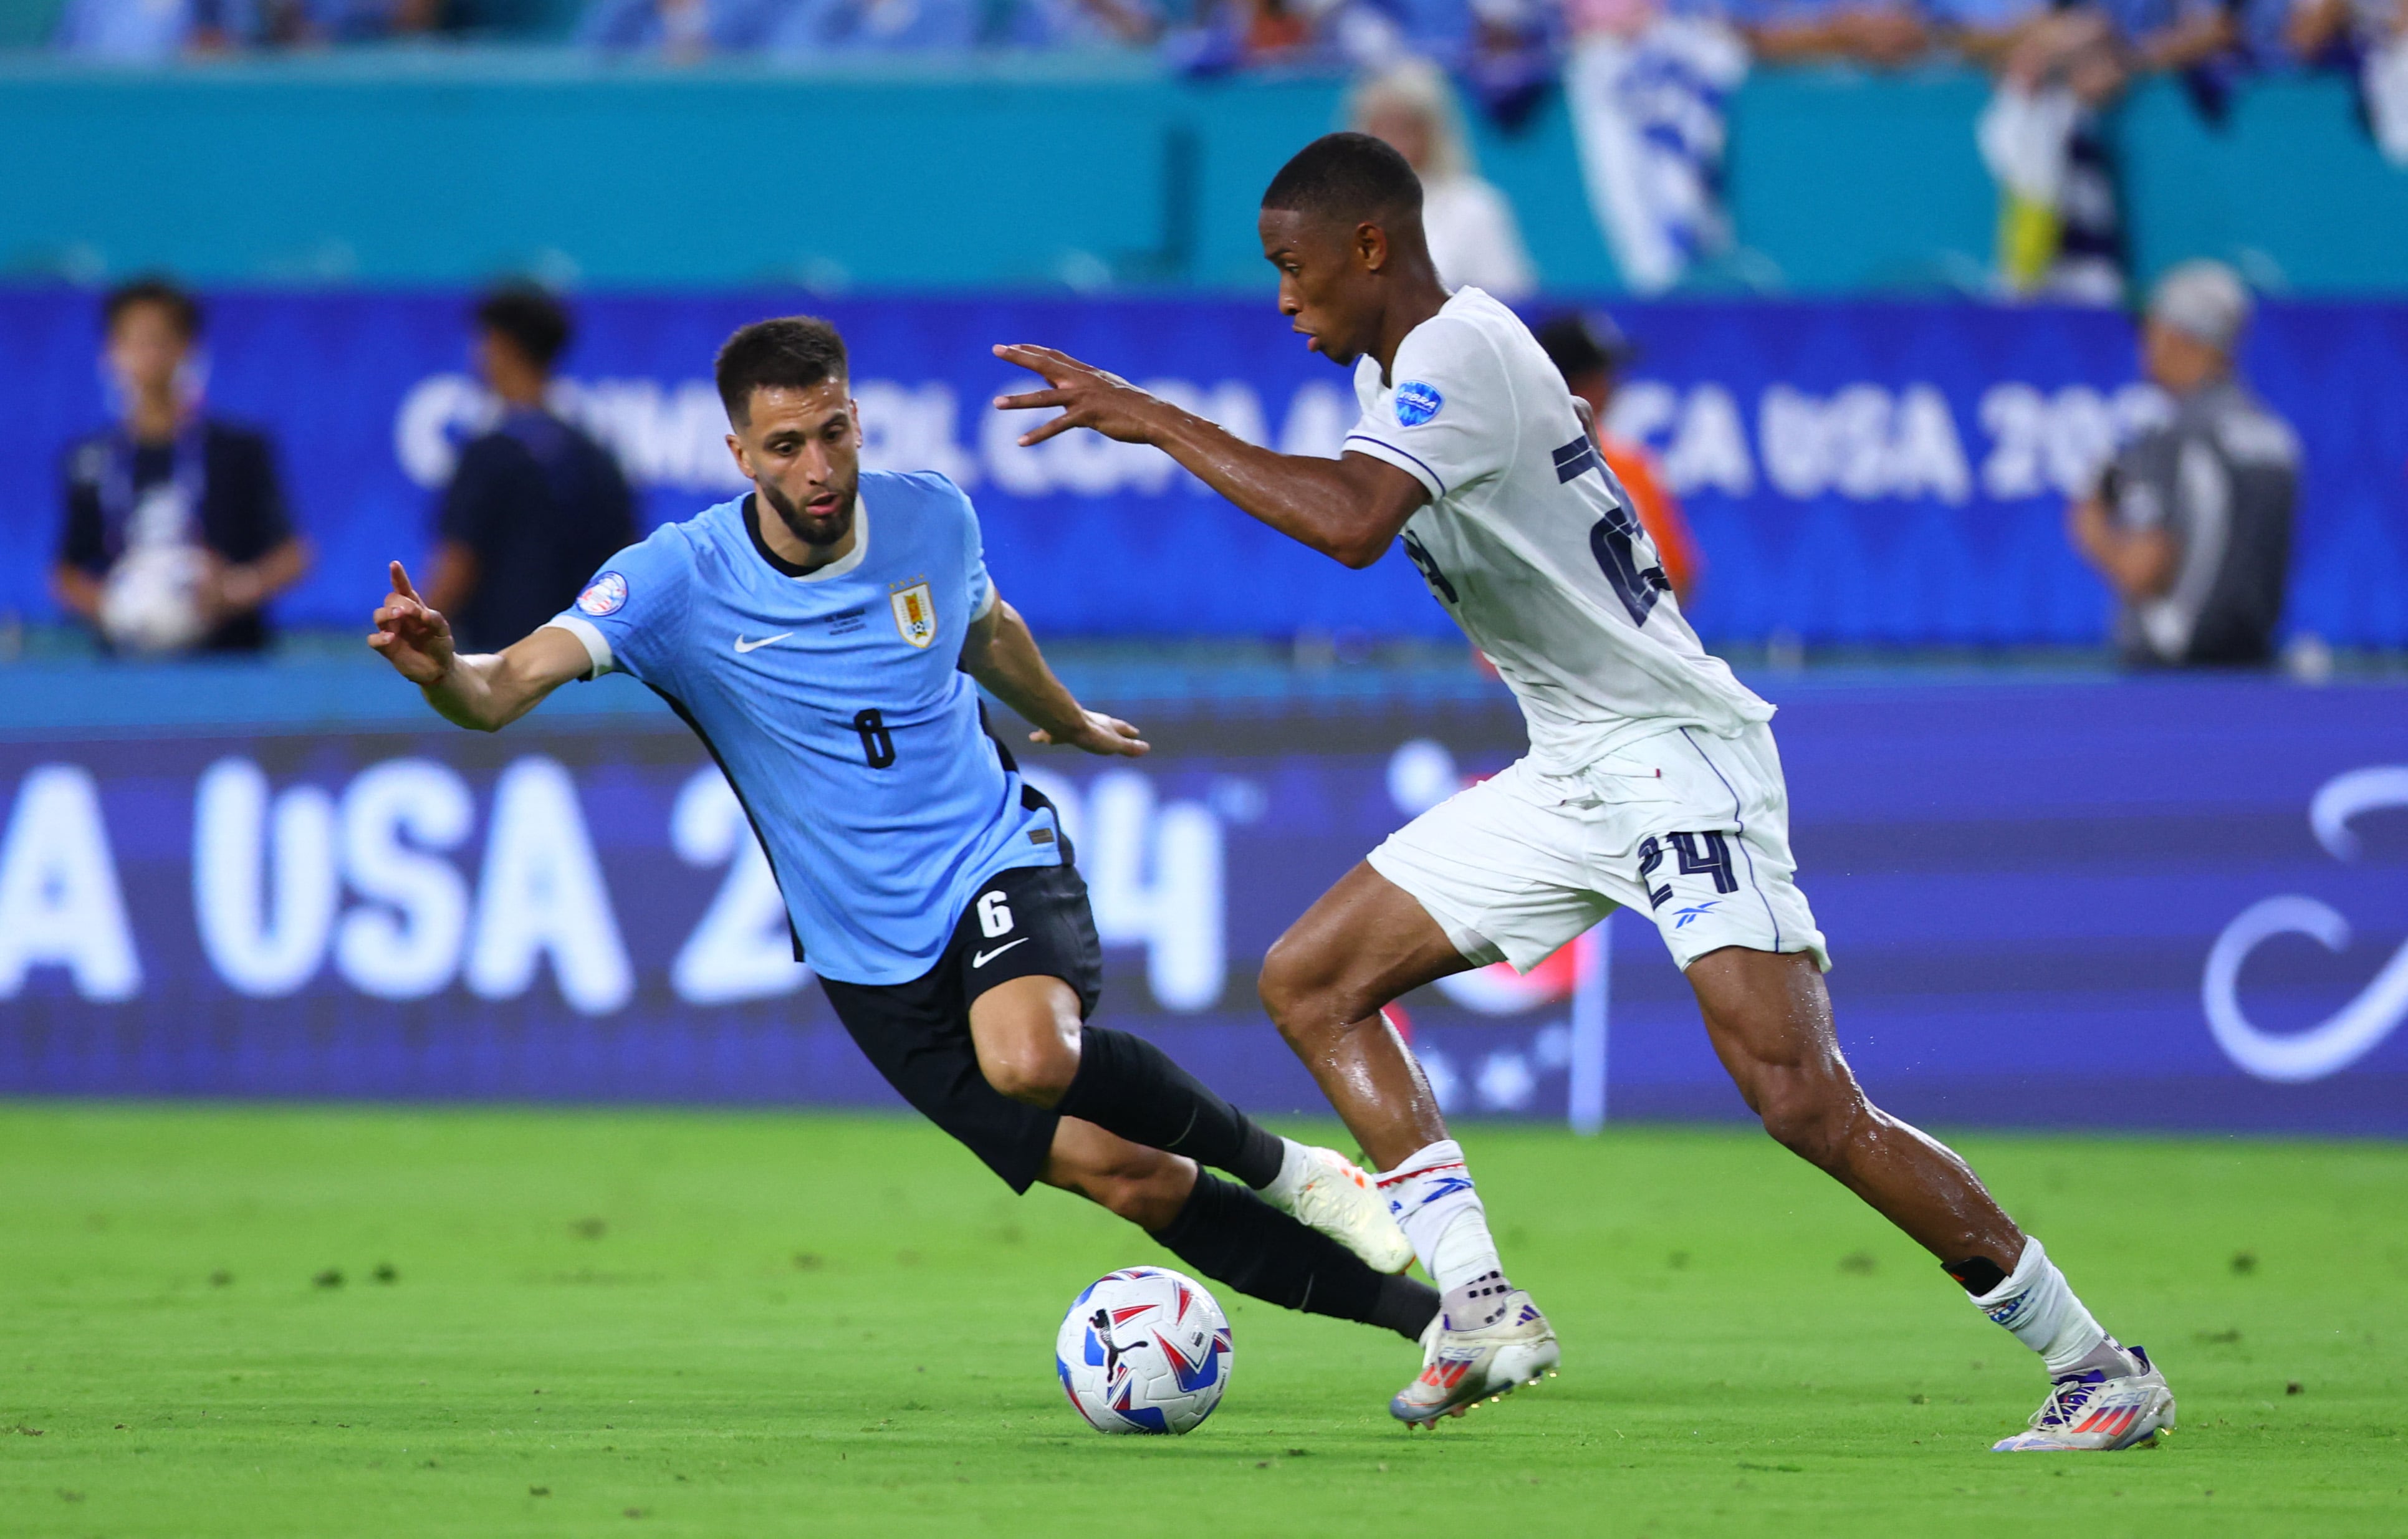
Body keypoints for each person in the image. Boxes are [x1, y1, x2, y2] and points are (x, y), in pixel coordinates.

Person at [994, 131, 2177, 1450]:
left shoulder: (1457, 351)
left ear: (1368, 246)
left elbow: (1346, 525)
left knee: (1799, 1098)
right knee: (1309, 979)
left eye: (1292, 266)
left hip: (1674, 750)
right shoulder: (1404, 374)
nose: (1282, 298)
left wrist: (1151, 414)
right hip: (1575, 761)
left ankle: (2091, 1362)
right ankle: (1479, 1299)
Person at [368, 314, 1436, 1357]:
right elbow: (502, 689)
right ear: (738, 453)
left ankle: (1294, 1171)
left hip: (990, 852)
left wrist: (1061, 717)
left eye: (834, 430)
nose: (818, 464)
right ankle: (1434, 1325)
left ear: (858, 421)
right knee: (1132, 1177)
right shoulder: (674, 581)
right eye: (785, 445)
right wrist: (443, 672)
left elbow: (988, 628)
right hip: (864, 954)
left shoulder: (931, 516)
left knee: (1027, 1055)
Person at [55, 277, 312, 655]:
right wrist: (111, 607)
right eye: (134, 341)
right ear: (110, 352)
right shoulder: (89, 457)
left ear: (188, 348)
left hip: (230, 661)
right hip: (123, 668)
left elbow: (294, 556)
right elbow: (66, 572)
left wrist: (238, 589)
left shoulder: (238, 449)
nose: (148, 355)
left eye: (160, 339)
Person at [2069, 259, 2298, 668]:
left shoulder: (2174, 438)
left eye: (2150, 329)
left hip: (2172, 670)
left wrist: (2091, 528)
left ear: (2175, 337)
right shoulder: (2274, 436)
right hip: (2253, 669)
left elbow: (2144, 568)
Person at [425, 286, 638, 655]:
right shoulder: (596, 456)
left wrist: (415, 639)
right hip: (582, 662)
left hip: (503, 667)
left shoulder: (488, 455)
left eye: (484, 341)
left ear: (502, 346)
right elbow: (628, 563)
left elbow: (458, 565)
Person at [1535, 310, 1703, 603]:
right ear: (1592, 381)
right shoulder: (1627, 467)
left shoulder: (1500, 456)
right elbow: (1678, 578)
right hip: (1610, 644)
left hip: (1511, 646)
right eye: (1608, 374)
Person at [1349, 60, 1538, 300]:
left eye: (1405, 129)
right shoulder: (1343, 211)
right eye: (1381, 128)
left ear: (1433, 133)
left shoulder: (1474, 206)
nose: (1393, 143)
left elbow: (1508, 299)